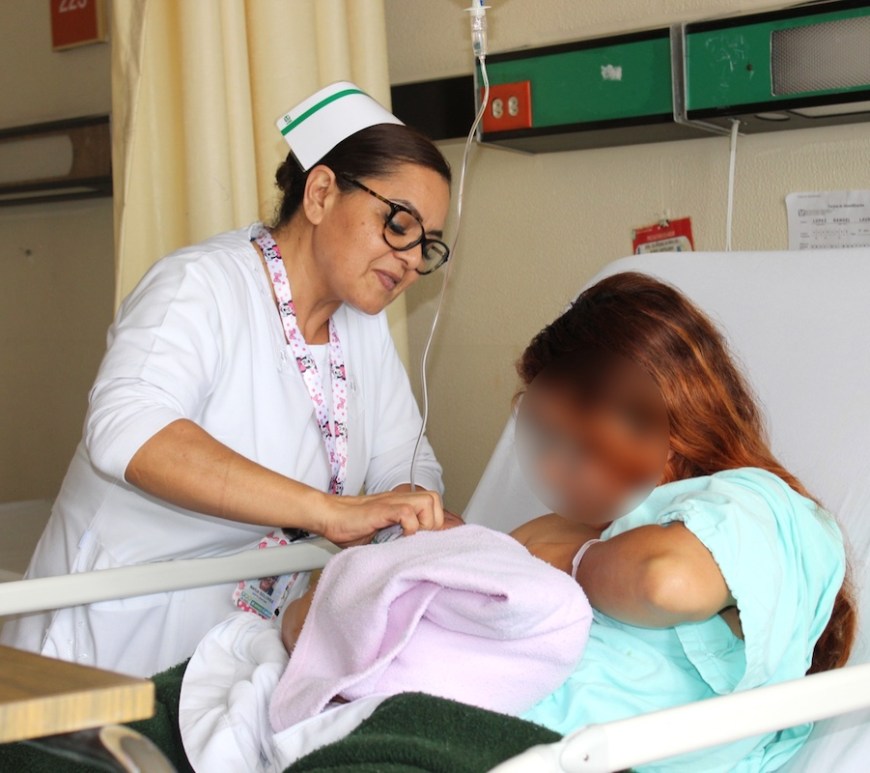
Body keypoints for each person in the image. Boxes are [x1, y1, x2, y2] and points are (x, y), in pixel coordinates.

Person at [1, 82, 450, 677]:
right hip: (113, 636)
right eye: (399, 224)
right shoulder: (201, 286)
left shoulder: (360, 326)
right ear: (320, 193)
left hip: (238, 647)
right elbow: (127, 429)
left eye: (428, 245)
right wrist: (327, 512)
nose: (413, 260)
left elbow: (404, 459)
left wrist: (412, 512)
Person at [510, 272, 856, 771]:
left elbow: (668, 581)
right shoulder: (608, 521)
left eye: (572, 444)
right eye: (543, 439)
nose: (549, 468)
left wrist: (565, 554)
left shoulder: (760, 502)